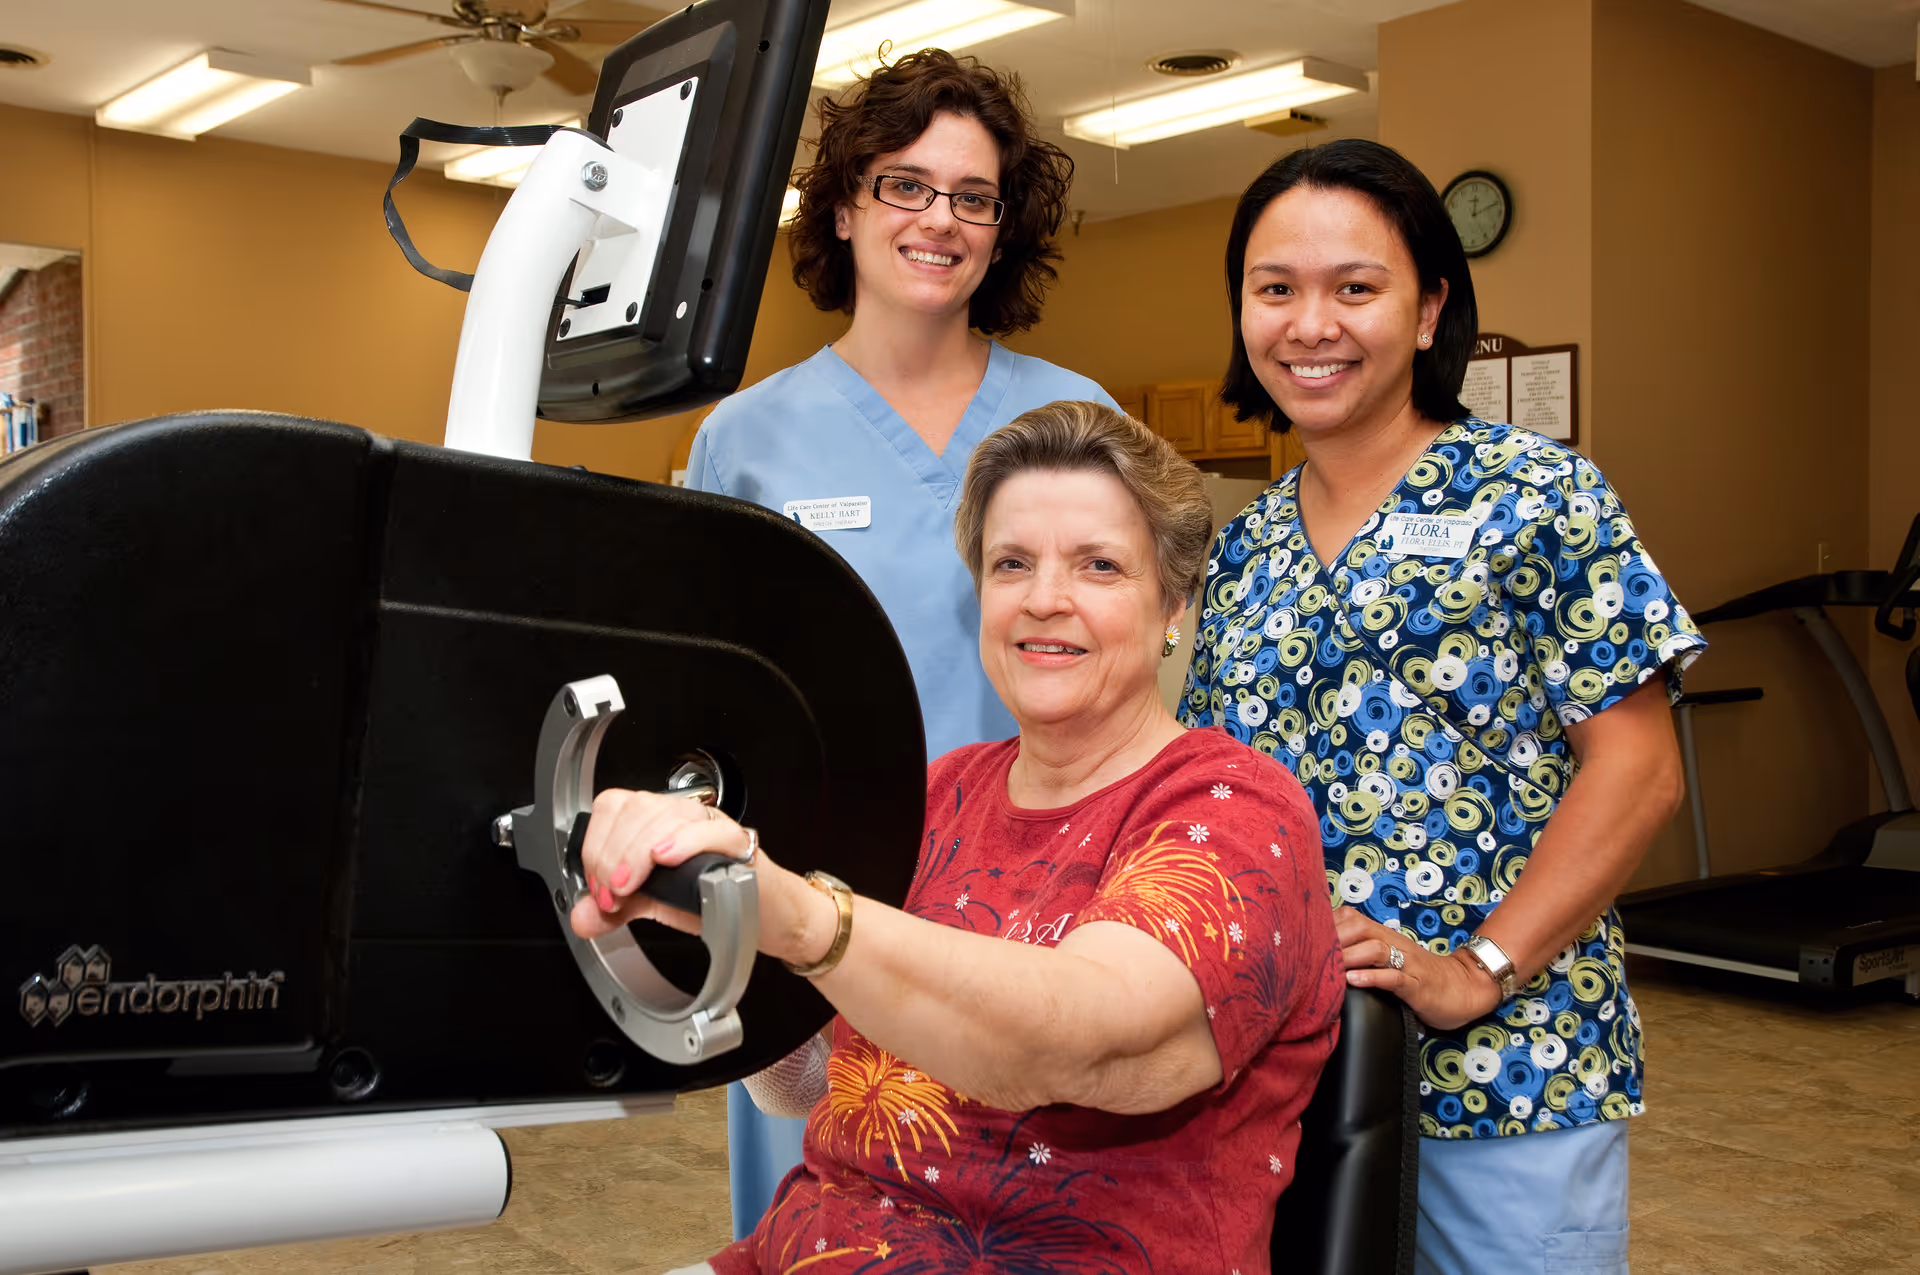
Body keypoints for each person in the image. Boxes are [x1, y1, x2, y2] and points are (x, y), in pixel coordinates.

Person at [579, 402, 1344, 1275]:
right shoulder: (940, 792)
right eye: (1011, 563)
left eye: (1098, 565)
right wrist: (704, 914)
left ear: (1172, 601)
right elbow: (799, 1085)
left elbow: (1080, 1040)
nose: (1045, 599)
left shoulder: (1235, 804)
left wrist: (801, 917)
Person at [1179, 139, 1706, 1275]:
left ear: (1429, 312)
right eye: (1275, 290)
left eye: (1354, 288)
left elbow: (1641, 767)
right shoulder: (1248, 546)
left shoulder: (1538, 496)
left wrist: (1480, 969)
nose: (1309, 324)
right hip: (1292, 1076)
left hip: (1512, 1073)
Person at [683, 49, 1117, 1236]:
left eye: (974, 196)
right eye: (904, 185)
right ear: (843, 204)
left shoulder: (1076, 422)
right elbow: (712, 703)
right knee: (828, 1230)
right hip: (817, 918)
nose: (941, 220)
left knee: (1027, 1229)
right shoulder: (746, 440)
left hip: (1039, 918)